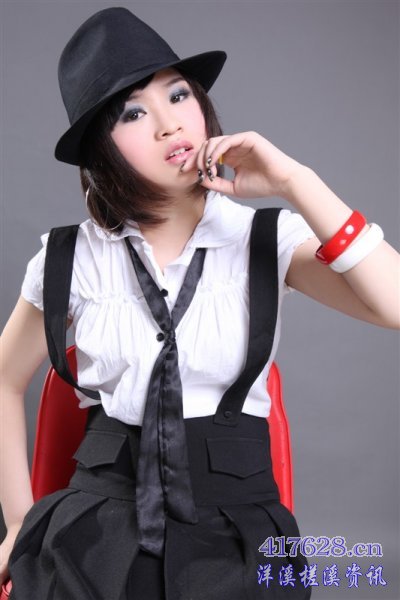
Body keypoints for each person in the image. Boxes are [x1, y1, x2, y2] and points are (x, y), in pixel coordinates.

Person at [0, 6, 399, 600]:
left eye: (179, 94)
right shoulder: (69, 258)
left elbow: (394, 305)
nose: (169, 124)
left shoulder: (266, 240)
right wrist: (16, 523)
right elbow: (3, 379)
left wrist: (297, 182)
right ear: (100, 148)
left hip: (241, 535)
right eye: (134, 112)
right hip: (96, 534)